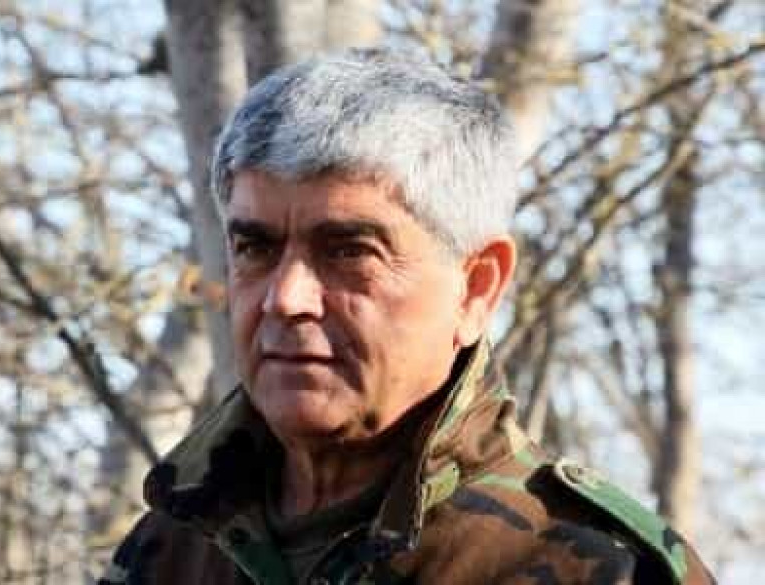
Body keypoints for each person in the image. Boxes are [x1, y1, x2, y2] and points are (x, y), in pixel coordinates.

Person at [99, 48, 715, 585]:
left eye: (349, 252)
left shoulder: (605, 570)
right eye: (255, 248)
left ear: (476, 288)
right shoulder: (169, 549)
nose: (285, 298)